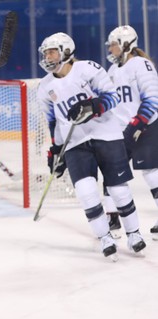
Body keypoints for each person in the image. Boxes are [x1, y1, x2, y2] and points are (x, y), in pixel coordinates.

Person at [36, 32, 146, 261]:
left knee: (118, 189)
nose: (48, 57)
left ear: (66, 51)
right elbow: (53, 122)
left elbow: (113, 96)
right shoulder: (45, 87)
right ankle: (105, 237)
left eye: (52, 52)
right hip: (75, 143)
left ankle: (133, 233)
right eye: (45, 53)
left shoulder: (88, 69)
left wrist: (93, 106)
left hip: (106, 134)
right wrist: (55, 151)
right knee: (86, 192)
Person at [105, 25, 158, 239]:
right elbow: (110, 102)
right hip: (119, 129)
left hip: (146, 126)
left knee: (152, 172)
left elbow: (153, 97)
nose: (111, 49)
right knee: (112, 172)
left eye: (114, 45)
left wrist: (138, 123)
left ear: (127, 45)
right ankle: (113, 218)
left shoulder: (141, 65)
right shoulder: (112, 70)